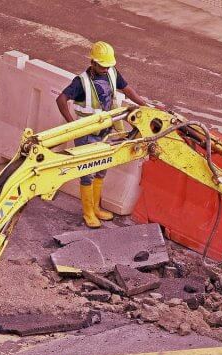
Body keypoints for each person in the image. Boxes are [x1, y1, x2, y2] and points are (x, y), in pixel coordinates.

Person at [55, 41, 147, 229]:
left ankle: (96, 208)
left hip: (106, 133)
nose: (106, 69)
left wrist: (146, 106)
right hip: (87, 135)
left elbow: (128, 90)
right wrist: (72, 124)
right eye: (103, 66)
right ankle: (88, 212)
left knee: (101, 170)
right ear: (93, 63)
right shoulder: (81, 82)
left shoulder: (112, 72)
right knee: (87, 173)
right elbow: (61, 99)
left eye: (108, 66)